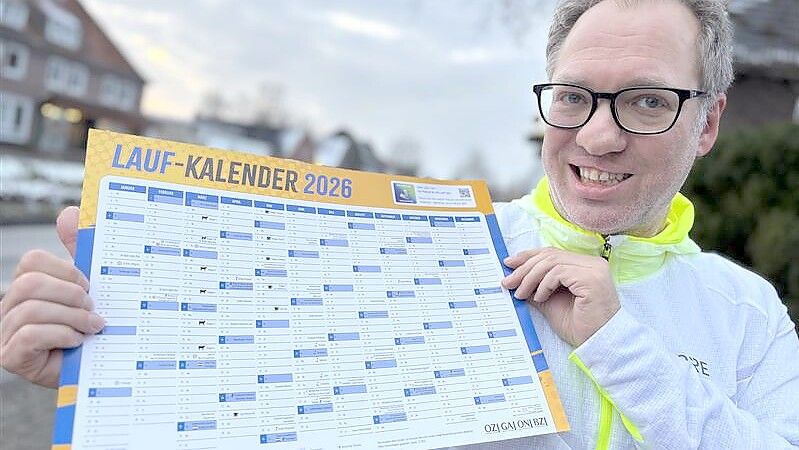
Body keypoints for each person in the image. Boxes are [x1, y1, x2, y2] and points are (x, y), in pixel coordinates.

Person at [2, 0, 798, 448]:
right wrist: (107, 383)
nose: (597, 134)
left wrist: (619, 348)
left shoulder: (748, 314)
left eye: (649, 101)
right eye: (574, 96)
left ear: (707, 123)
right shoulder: (424, 255)